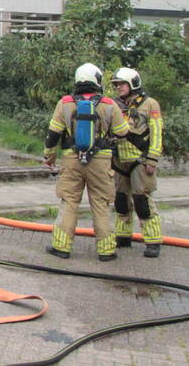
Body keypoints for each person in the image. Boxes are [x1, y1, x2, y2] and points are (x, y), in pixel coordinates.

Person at [44, 63, 131, 261]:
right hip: (100, 161)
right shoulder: (109, 104)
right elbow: (123, 132)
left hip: (71, 160)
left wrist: (49, 157)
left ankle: (61, 247)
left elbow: (53, 134)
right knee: (101, 204)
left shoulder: (65, 103)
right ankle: (106, 251)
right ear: (97, 81)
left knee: (69, 202)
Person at [110, 67, 164, 258]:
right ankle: (123, 236)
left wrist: (153, 158)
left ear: (133, 83)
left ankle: (153, 241)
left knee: (142, 200)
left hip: (141, 160)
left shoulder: (150, 104)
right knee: (121, 201)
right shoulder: (115, 105)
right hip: (119, 161)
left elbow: (156, 133)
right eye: (116, 85)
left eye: (121, 84)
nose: (118, 88)